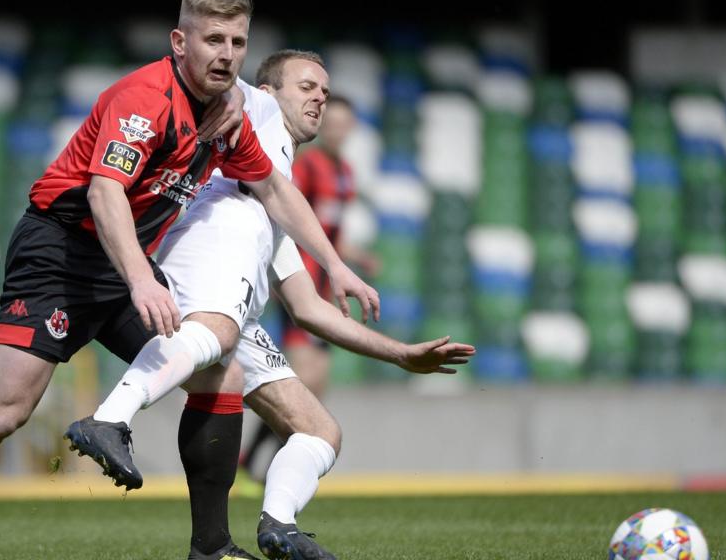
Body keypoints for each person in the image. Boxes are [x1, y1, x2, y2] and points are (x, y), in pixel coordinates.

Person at [0, 0, 377, 559]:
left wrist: (335, 264)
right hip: (60, 252)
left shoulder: (225, 114)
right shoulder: (144, 99)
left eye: (237, 42)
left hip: (125, 260)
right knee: (2, 414)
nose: (227, 53)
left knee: (221, 375)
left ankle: (211, 548)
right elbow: (105, 192)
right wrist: (141, 279)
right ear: (179, 42)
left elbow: (273, 188)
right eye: (213, 39)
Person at [65, 49, 474, 560]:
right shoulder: (254, 109)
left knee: (320, 431)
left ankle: (279, 525)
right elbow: (226, 87)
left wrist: (401, 354)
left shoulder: (272, 200)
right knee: (217, 332)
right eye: (306, 87)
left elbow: (308, 308)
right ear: (271, 91)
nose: (319, 98)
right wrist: (234, 88)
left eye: (324, 91)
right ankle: (110, 418)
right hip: (210, 239)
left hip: (239, 288)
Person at [239, 94, 378, 484]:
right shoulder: (308, 166)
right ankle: (256, 464)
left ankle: (260, 462)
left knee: (317, 384)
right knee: (303, 381)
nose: (337, 129)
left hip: (327, 290)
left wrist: (356, 258)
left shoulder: (345, 172)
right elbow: (291, 219)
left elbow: (329, 233)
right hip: (302, 287)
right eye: (331, 122)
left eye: (344, 124)